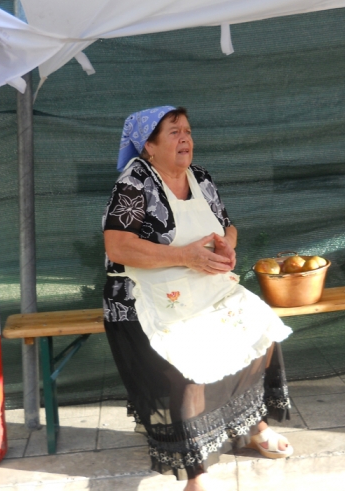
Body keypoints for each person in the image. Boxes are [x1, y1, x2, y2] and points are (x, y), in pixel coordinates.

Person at [102, 106, 293, 491]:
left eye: (187, 130)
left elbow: (228, 225)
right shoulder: (135, 182)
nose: (185, 137)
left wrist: (228, 246)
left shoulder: (200, 177)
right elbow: (118, 246)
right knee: (189, 362)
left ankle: (255, 427)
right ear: (149, 147)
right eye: (173, 132)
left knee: (261, 328)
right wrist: (185, 256)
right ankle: (197, 475)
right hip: (146, 297)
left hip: (206, 285)